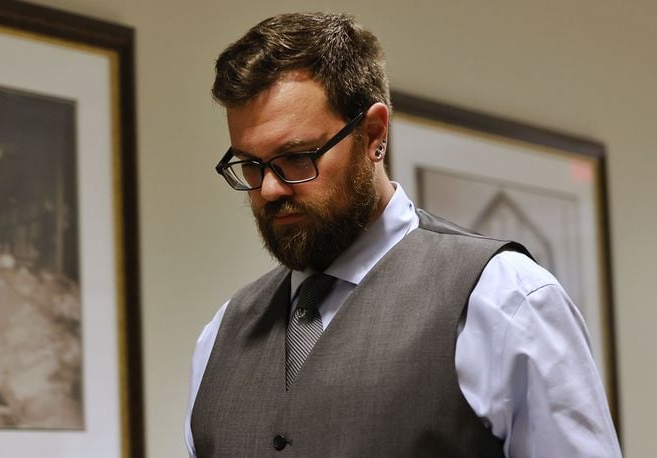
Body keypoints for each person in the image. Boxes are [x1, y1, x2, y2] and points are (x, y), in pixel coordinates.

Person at [186, 12, 621, 457]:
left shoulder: (505, 300)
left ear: (374, 134)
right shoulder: (220, 337)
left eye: (297, 157)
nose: (270, 188)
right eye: (251, 165)